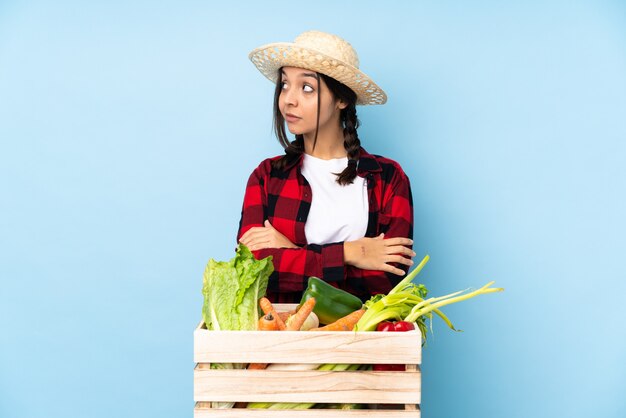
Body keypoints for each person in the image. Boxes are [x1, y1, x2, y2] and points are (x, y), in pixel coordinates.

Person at [238, 30, 415, 303]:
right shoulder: (267, 176)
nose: (288, 99)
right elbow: (251, 270)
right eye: (285, 85)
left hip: (362, 339)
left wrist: (289, 250)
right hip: (280, 338)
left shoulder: (388, 179)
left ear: (342, 99)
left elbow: (387, 279)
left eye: (307, 88)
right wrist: (349, 253)